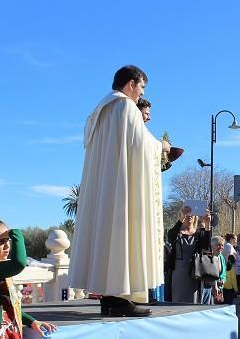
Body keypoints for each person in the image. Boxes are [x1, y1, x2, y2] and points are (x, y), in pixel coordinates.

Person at [69, 65, 171, 317]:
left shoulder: (99, 112)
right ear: (130, 84)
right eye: (142, 87)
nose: (141, 94)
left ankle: (110, 298)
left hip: (106, 187)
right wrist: (162, 147)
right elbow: (139, 144)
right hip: (121, 186)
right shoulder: (125, 107)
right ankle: (119, 296)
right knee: (123, 234)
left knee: (109, 237)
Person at [168, 206, 211, 303]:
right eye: (187, 214)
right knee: (177, 300)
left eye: (192, 214)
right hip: (178, 272)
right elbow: (170, 237)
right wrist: (181, 218)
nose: (190, 216)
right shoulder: (177, 232)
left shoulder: (198, 233)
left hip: (194, 272)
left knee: (193, 301)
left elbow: (206, 246)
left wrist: (207, 224)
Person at [201, 236, 225, 304]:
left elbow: (223, 272)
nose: (220, 247)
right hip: (208, 288)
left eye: (222, 245)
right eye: (218, 245)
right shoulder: (208, 257)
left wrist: (223, 280)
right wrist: (215, 285)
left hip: (219, 288)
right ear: (212, 246)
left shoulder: (221, 257)